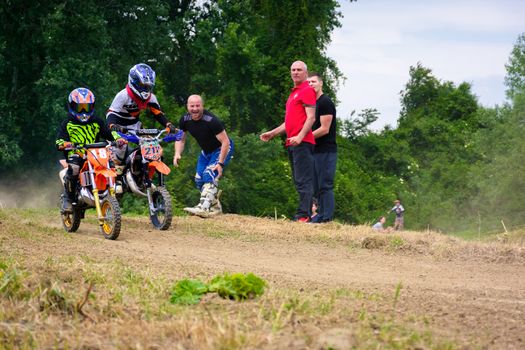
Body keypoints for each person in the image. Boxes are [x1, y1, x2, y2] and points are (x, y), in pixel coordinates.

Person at [260, 60, 316, 222]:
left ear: (306, 73)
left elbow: (311, 118)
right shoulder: (294, 93)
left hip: (303, 142)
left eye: (299, 69)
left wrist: (300, 136)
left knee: (303, 179)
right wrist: (273, 133)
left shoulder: (306, 90)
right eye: (293, 70)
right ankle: (303, 213)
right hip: (292, 142)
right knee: (298, 180)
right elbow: (289, 122)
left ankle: (303, 216)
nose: (295, 72)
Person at [56, 87, 126, 212]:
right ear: (72, 106)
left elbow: (109, 133)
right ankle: (68, 198)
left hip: (95, 154)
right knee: (75, 169)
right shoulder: (67, 123)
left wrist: (118, 139)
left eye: (86, 107)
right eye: (80, 107)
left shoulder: (97, 121)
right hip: (76, 154)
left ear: (92, 107)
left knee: (111, 163)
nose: (83, 111)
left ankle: (115, 188)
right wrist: (65, 144)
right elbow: (59, 141)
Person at [106, 63, 177, 178]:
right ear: (133, 81)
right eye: (142, 85)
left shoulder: (151, 97)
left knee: (151, 145)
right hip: (119, 127)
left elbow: (158, 113)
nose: (145, 89)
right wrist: (112, 125)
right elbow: (111, 113)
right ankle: (117, 178)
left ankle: (142, 172)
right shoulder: (123, 95)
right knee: (121, 148)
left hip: (135, 126)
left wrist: (168, 125)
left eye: (148, 86)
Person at [173, 95, 233, 217]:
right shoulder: (184, 120)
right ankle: (215, 207)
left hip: (221, 149)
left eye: (197, 106)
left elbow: (225, 141)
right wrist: (177, 153)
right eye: (192, 106)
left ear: (202, 106)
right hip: (206, 152)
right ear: (187, 107)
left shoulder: (211, 120)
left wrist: (220, 163)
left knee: (209, 174)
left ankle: (204, 207)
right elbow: (181, 139)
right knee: (199, 180)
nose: (195, 109)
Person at [307, 72, 337, 223]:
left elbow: (325, 128)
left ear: (321, 83)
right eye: (309, 82)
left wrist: (305, 137)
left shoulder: (325, 102)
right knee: (316, 186)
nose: (311, 84)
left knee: (325, 184)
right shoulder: (311, 104)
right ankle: (320, 216)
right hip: (314, 150)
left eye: (313, 81)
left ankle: (327, 218)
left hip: (326, 150)